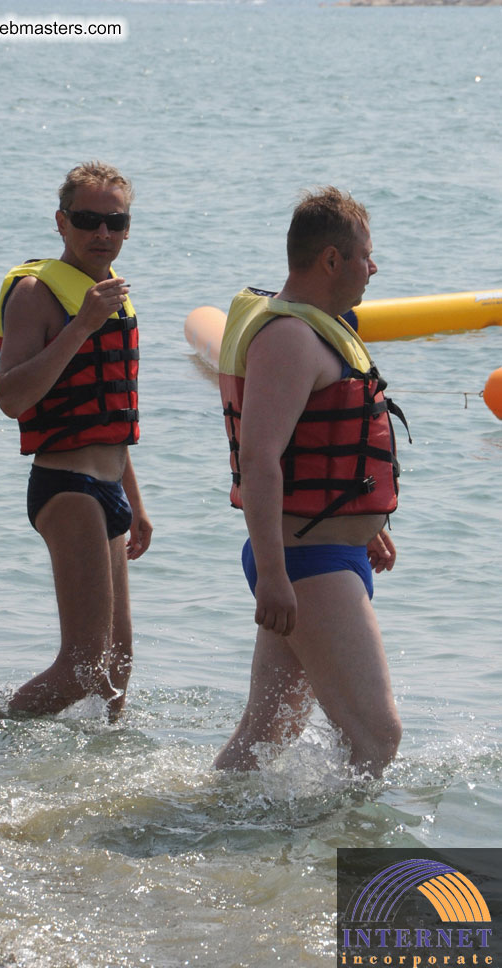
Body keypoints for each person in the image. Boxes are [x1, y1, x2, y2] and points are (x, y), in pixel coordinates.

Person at [213, 187, 410, 776]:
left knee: (264, 737)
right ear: (330, 260)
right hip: (302, 564)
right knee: (378, 736)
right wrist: (273, 575)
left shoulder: (320, 328)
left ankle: (208, 835)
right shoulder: (291, 338)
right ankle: (343, 865)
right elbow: (262, 459)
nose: (373, 268)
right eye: (364, 256)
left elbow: (315, 448)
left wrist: (361, 522)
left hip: (324, 554)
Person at [0, 161, 152, 718]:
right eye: (87, 220)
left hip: (109, 488)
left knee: (117, 666)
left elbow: (111, 412)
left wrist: (135, 500)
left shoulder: (111, 295)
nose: (102, 234)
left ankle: (106, 776)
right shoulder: (38, 295)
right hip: (66, 485)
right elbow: (12, 395)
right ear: (61, 223)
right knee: (85, 662)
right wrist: (81, 326)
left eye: (115, 221)